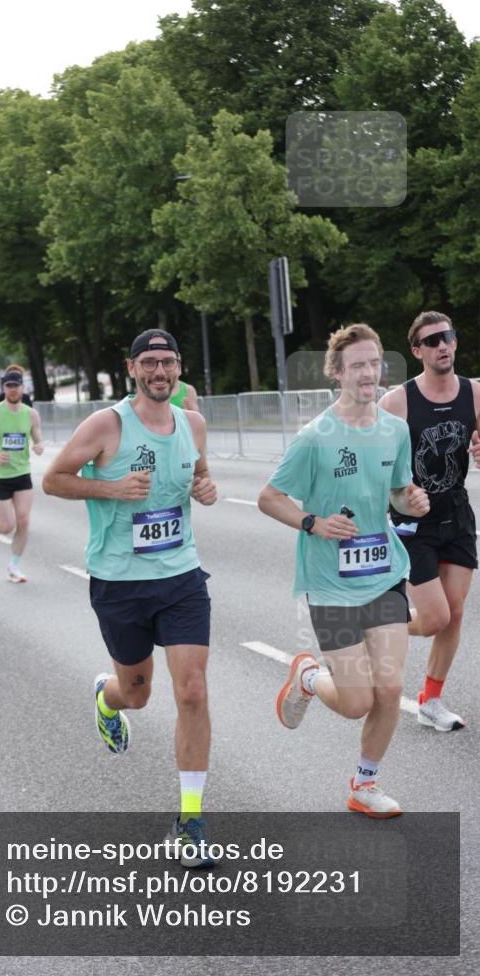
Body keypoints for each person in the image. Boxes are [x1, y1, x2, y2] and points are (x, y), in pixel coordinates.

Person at [43, 328, 218, 865]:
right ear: (132, 368)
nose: (159, 371)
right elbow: (54, 480)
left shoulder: (193, 423)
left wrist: (204, 487)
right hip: (120, 582)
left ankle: (190, 822)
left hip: (182, 576)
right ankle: (107, 696)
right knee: (137, 693)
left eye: (167, 361)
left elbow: (199, 473)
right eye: (149, 363)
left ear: (179, 367)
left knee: (191, 691)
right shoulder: (107, 424)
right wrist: (112, 489)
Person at [258, 323, 430, 818]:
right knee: (356, 701)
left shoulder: (395, 430)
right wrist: (312, 522)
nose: (368, 373)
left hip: (383, 573)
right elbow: (269, 498)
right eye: (357, 365)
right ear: (337, 372)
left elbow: (398, 491)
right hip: (329, 584)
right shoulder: (315, 438)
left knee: (391, 689)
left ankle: (364, 783)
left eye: (374, 363)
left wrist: (411, 500)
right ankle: (309, 677)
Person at [379, 313, 480, 731]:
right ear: (417, 351)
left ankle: (430, 701)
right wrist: (399, 492)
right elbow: (375, 468)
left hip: (456, 513)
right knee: (435, 617)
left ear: (455, 343)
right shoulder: (397, 402)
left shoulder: (475, 393)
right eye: (432, 340)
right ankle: (380, 626)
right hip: (411, 523)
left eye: (448, 337)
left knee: (454, 614)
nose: (443, 345)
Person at [0, 370, 44, 583]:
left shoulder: (31, 414)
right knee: (7, 526)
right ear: (3, 388)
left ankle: (14, 566)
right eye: (9, 386)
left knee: (23, 520)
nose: (13, 389)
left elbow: (37, 437)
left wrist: (39, 446)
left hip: (22, 472)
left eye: (16, 386)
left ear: (22, 388)